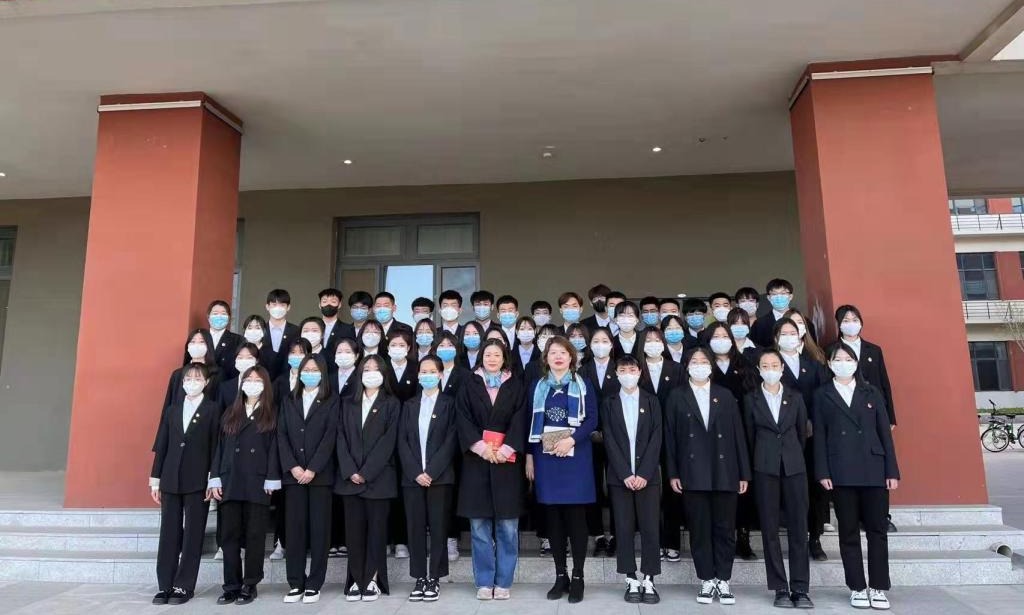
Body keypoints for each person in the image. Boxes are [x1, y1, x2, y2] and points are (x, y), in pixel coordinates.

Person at [814, 344, 900, 611]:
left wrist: (892, 471)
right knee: (848, 532)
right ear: (830, 364)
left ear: (856, 362)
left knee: (877, 531)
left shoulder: (871, 391)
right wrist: (822, 471)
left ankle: (878, 586)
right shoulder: (822, 394)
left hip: (874, 468)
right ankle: (857, 587)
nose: (843, 363)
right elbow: (819, 435)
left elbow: (884, 433)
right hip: (841, 471)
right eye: (837, 359)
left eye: (848, 358)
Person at [666, 347, 751, 606]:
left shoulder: (724, 395)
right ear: (686, 366)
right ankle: (706, 579)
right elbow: (670, 438)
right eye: (694, 361)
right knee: (699, 529)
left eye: (704, 361)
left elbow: (738, 434)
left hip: (725, 470)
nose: (699, 365)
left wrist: (743, 472)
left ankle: (723, 579)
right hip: (692, 472)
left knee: (725, 529)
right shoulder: (676, 396)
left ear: (711, 366)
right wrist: (673, 472)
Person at [527, 336, 598, 603]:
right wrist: (530, 457)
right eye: (553, 352)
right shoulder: (537, 386)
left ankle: (578, 576)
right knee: (553, 519)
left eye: (563, 352)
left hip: (576, 457)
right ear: (546, 358)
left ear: (571, 357)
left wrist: (572, 439)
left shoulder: (583, 384)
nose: (558, 356)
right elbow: (529, 422)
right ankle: (560, 576)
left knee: (576, 519)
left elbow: (592, 419)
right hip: (546, 459)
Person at [455, 339, 527, 601]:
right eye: (488, 354)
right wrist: (480, 447)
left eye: (497, 355)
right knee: (479, 527)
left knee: (508, 527)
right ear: (481, 357)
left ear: (504, 357)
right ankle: (484, 581)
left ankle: (504, 581)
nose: (492, 359)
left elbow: (521, 418)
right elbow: (462, 418)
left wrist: (506, 449)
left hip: (507, 463)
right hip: (477, 462)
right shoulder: (469, 384)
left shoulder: (515, 384)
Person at [743, 350, 814, 609]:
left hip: (794, 468)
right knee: (770, 529)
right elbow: (749, 436)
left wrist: (791, 455)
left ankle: (800, 588)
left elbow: (801, 433)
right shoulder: (751, 399)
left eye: (775, 365)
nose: (770, 369)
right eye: (765, 365)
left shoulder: (796, 397)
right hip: (765, 468)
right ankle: (780, 587)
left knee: (798, 529)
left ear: (782, 368)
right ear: (759, 370)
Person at [209, 365, 281, 605]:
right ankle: (231, 585)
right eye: (248, 379)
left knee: (254, 535)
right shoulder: (231, 411)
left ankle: (250, 584)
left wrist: (272, 476)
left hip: (257, 481)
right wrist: (215, 476)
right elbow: (220, 447)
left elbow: (275, 449)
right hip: (230, 480)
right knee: (228, 536)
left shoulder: (272, 412)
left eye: (257, 380)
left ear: (265, 385)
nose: (252, 384)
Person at [149, 363, 220, 606]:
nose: (192, 382)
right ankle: (165, 584)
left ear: (206, 382)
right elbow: (162, 445)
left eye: (197, 378)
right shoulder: (172, 410)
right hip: (170, 477)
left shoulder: (213, 409)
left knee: (193, 534)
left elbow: (216, 447)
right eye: (188, 378)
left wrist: (213, 478)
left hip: (198, 480)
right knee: (168, 532)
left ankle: (184, 585)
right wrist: (155, 480)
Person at [336, 355, 401, 602]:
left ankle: (372, 579)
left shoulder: (392, 403)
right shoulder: (347, 403)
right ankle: (355, 579)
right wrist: (350, 469)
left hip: (379, 479)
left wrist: (366, 471)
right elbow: (340, 437)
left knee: (376, 532)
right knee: (354, 533)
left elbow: (389, 441)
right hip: (349, 479)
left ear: (384, 374)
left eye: (376, 369)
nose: (371, 373)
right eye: (366, 369)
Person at [829, 304, 898, 533]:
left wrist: (890, 416)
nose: (850, 324)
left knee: (877, 463)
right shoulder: (831, 350)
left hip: (872, 413)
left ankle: (882, 516)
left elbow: (884, 383)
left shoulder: (873, 350)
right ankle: (856, 516)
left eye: (854, 319)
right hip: (845, 416)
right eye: (845, 320)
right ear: (838, 324)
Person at [277, 354, 339, 604]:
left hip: (320, 476)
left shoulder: (332, 400)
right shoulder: (289, 400)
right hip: (294, 477)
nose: (310, 374)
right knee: (295, 530)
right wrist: (293, 467)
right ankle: (295, 582)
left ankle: (314, 583)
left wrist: (312, 468)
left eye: (315, 370)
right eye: (306, 369)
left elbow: (330, 436)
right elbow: (281, 435)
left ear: (322, 374)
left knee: (319, 531)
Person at [601, 354, 663, 604]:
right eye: (623, 370)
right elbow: (608, 438)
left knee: (650, 528)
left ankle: (649, 578)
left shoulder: (651, 400)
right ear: (616, 374)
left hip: (648, 477)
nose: (628, 374)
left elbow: (657, 437)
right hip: (620, 478)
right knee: (624, 528)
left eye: (632, 369)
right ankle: (630, 578)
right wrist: (625, 473)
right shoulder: (609, 402)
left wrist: (644, 473)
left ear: (640, 372)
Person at [397, 355, 458, 601]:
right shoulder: (409, 405)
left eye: (433, 371)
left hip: (439, 478)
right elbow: (402, 441)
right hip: (412, 478)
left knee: (439, 527)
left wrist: (431, 471)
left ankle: (435, 577)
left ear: (441, 375)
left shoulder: (449, 404)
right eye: (424, 371)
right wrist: (416, 472)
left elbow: (451, 440)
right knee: (415, 528)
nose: (428, 375)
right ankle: (420, 577)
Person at [774, 317, 829, 561]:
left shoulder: (813, 365)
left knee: (814, 488)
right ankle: (793, 534)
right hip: (783, 438)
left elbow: (822, 398)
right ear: (776, 338)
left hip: (811, 436)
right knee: (788, 488)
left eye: (793, 333)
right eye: (784, 333)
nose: (789, 337)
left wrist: (814, 423)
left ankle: (814, 537)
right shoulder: (771, 365)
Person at [706, 322, 759, 561]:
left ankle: (743, 536)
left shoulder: (744, 365)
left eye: (724, 335)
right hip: (711, 434)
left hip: (741, 433)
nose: (721, 340)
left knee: (742, 486)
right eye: (715, 336)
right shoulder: (703, 366)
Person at [578, 326, 619, 556]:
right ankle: (598, 535)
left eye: (605, 341)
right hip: (589, 437)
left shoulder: (620, 368)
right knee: (591, 485)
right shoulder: (582, 371)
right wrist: (590, 430)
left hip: (616, 438)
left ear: (611, 344)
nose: (600, 345)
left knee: (615, 485)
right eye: (596, 341)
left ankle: (616, 534)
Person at [327, 338, 361, 558]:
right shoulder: (328, 379)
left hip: (352, 441)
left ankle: (348, 541)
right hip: (329, 440)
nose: (343, 355)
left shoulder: (361, 378)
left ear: (356, 356)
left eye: (348, 351)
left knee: (349, 494)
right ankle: (333, 540)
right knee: (332, 495)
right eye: (339, 351)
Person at [183, 299, 242, 379]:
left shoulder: (237, 340)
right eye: (215, 313)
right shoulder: (199, 337)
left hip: (226, 381)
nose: (219, 317)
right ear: (208, 317)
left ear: (229, 318)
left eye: (223, 314)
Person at [164, 329, 221, 410]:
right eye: (193, 341)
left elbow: (219, 404)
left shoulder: (217, 374)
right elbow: (169, 403)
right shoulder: (177, 374)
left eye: (201, 342)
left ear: (209, 346)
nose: (196, 345)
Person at [749, 279, 816, 348]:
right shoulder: (759, 324)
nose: (779, 297)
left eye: (783, 293)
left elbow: (812, 347)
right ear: (769, 298)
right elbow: (755, 349)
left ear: (790, 296)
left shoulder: (804, 322)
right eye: (774, 294)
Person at [266, 289, 300, 379]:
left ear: (288, 307)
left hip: (288, 379)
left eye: (282, 305)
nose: (278, 308)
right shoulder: (260, 330)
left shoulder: (296, 331)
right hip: (262, 379)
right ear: (267, 306)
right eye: (274, 304)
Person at [272, 338, 313, 410]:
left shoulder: (313, 379)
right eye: (293, 352)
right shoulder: (279, 381)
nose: (296, 356)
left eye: (301, 352)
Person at [218, 342, 260, 411]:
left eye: (249, 358)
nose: (244, 361)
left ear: (257, 361)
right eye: (240, 357)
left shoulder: (262, 385)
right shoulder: (225, 387)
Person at [319, 288, 357, 356]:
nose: (328, 304)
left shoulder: (348, 329)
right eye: (324, 301)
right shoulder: (311, 328)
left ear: (339, 305)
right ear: (319, 305)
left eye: (333, 302)